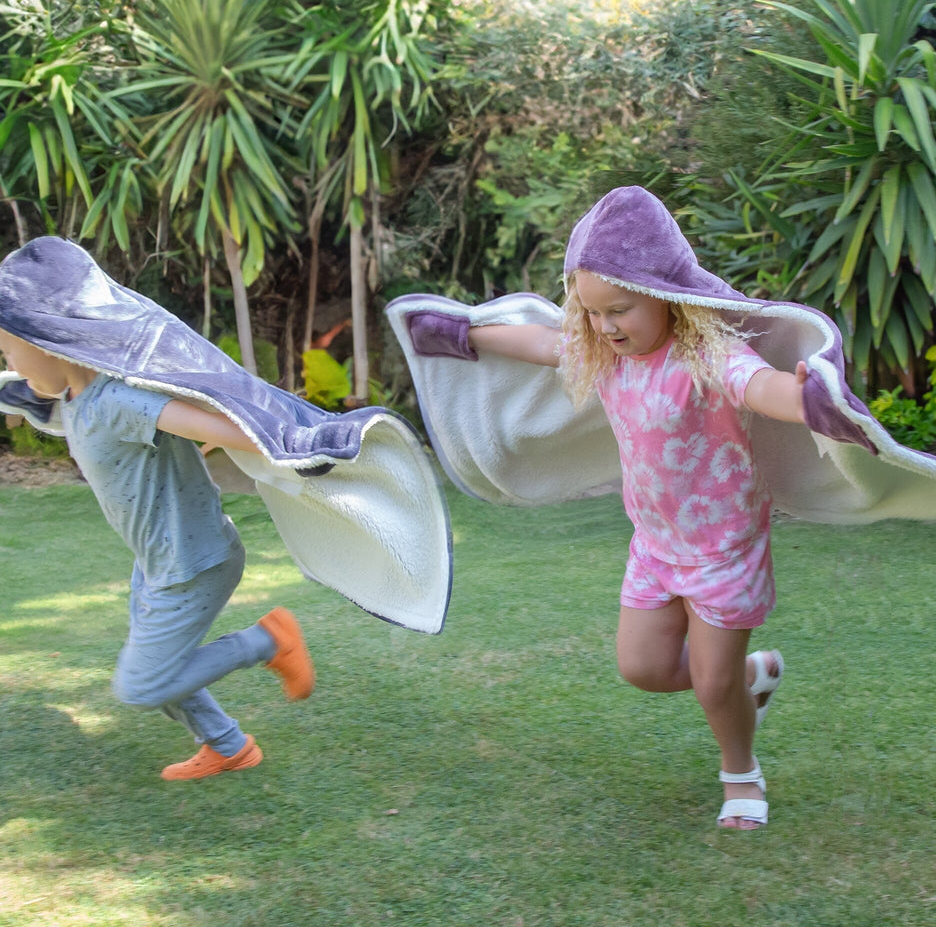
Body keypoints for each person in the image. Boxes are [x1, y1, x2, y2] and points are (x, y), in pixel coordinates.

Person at [387, 185, 936, 829]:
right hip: (654, 546)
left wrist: (812, 402)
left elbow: (759, 387)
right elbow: (541, 344)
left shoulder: (708, 352)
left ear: (666, 295)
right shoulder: (604, 356)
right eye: (591, 312)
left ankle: (741, 773)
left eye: (618, 309)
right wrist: (463, 335)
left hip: (724, 550)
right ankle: (747, 678)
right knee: (643, 668)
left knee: (708, 684)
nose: (603, 325)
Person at [0, 236, 453, 781]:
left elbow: (223, 423)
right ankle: (228, 746)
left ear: (49, 340)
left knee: (142, 683)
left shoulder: (120, 401)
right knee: (162, 668)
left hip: (193, 564)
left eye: (8, 348)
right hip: (159, 561)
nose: (6, 362)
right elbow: (65, 412)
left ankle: (270, 640)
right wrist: (18, 393)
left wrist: (279, 437)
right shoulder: (73, 398)